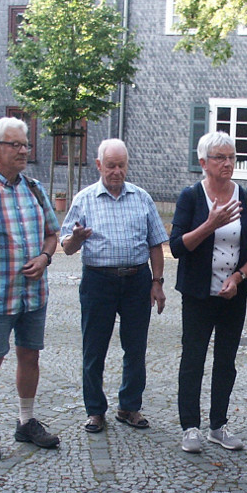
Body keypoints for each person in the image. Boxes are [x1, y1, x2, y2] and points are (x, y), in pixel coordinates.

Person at [0, 116, 61, 460]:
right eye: (16, 145)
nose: (23, 151)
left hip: (34, 293)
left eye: (25, 144)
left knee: (29, 356)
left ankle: (26, 421)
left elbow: (53, 233)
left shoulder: (34, 188)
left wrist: (46, 257)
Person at [60, 139, 169, 433]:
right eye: (111, 165)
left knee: (135, 348)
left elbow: (156, 244)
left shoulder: (142, 198)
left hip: (137, 280)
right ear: (99, 165)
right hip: (98, 281)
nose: (117, 171)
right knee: (94, 348)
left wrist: (157, 282)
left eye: (122, 165)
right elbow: (66, 247)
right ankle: (95, 410)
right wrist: (77, 239)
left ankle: (129, 406)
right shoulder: (84, 199)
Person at [169, 131, 247, 453]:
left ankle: (218, 426)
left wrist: (239, 277)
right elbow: (177, 247)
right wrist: (210, 224)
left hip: (232, 294)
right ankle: (190, 427)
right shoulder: (191, 197)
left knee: (226, 361)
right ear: (203, 162)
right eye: (220, 158)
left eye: (232, 157)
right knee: (193, 359)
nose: (228, 164)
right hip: (198, 294)